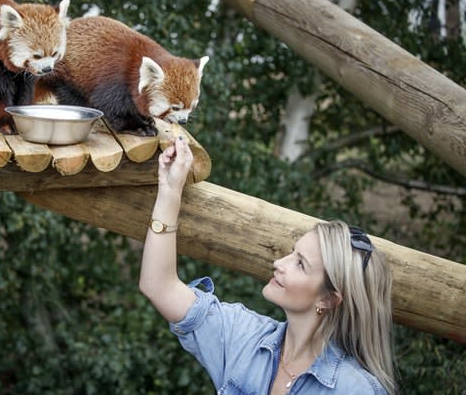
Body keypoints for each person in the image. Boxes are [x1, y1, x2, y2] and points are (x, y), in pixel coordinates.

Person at [139, 136, 397, 395]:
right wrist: (170, 190)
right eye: (291, 253)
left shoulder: (354, 389)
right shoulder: (244, 338)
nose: (279, 263)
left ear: (328, 299)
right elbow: (160, 287)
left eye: (300, 264)